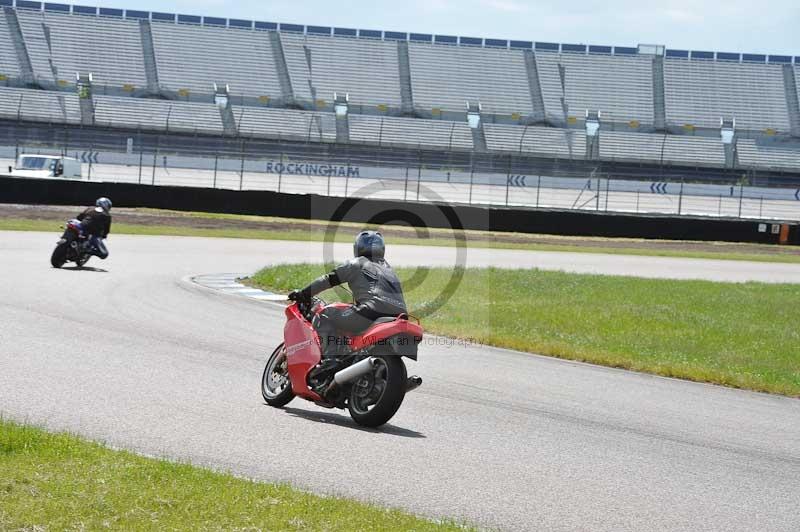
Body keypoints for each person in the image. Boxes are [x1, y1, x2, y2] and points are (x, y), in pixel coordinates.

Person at [289, 230, 407, 367]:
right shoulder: (389, 270)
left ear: (358, 247)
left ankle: (330, 360)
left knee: (325, 315)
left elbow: (328, 279)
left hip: (371, 310)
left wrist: (303, 293)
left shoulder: (357, 263)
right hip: (400, 315)